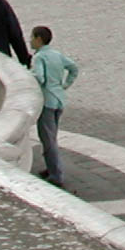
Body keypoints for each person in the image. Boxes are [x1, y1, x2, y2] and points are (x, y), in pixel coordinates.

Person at [30, 25, 78, 188]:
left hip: (47, 101)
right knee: (52, 136)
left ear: (38, 39)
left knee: (47, 138)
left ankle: (56, 174)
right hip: (59, 99)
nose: (30, 41)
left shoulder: (38, 58)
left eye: (32, 37)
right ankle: (50, 168)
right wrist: (64, 85)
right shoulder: (56, 54)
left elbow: (40, 78)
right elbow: (73, 68)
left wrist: (27, 76)